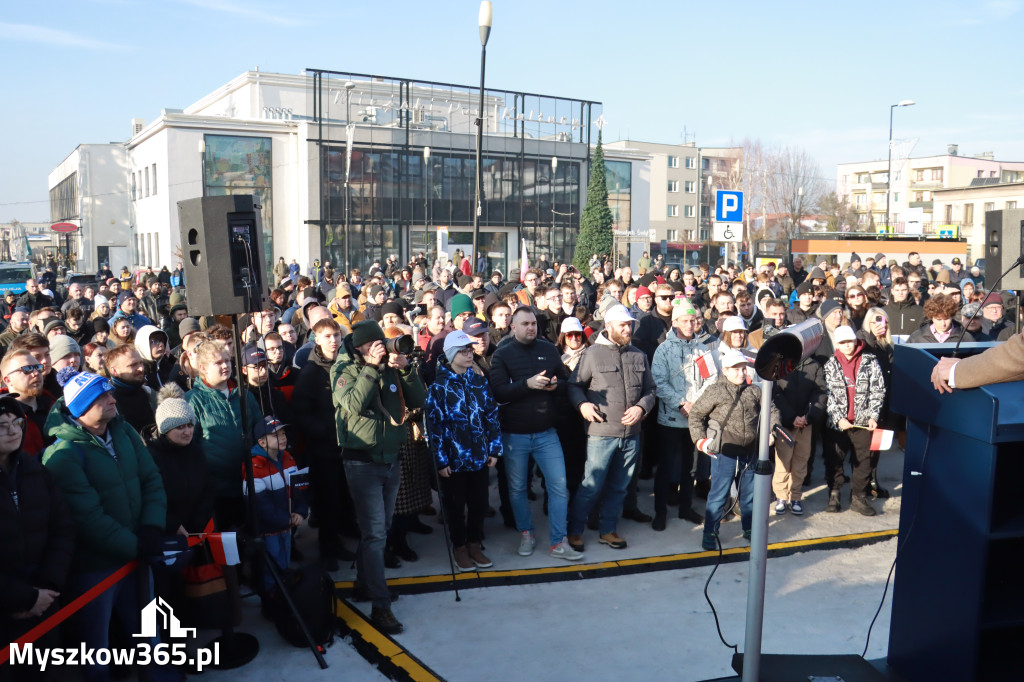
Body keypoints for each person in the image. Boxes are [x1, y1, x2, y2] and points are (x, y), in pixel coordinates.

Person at [43, 369, 176, 682]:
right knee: (96, 649)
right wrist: (138, 546)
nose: (113, 398)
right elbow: (89, 518)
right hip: (96, 569)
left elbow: (151, 479)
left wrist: (152, 529)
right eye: (103, 396)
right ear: (82, 407)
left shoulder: (124, 430)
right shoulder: (63, 455)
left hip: (140, 553)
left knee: (148, 635)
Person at [331, 320, 426, 635]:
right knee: (374, 535)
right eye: (373, 345)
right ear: (360, 347)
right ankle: (380, 605)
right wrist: (372, 367)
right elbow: (354, 404)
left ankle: (363, 585)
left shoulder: (389, 368)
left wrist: (405, 370)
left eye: (381, 345)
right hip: (362, 463)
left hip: (390, 459)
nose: (380, 349)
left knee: (380, 530)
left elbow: (418, 400)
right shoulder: (342, 370)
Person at [488, 307, 583, 562]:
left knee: (559, 488)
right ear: (513, 327)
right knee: (517, 489)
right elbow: (497, 391)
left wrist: (555, 386)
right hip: (514, 435)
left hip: (546, 433)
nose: (531, 327)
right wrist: (526, 385)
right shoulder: (502, 354)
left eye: (533, 323)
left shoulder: (548, 349)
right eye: (525, 324)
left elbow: (565, 383)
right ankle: (526, 533)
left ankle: (558, 541)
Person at [566, 305, 656, 552]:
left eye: (630, 325)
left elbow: (650, 390)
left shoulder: (639, 355)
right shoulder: (592, 354)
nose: (628, 329)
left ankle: (608, 530)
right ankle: (574, 531)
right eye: (623, 325)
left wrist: (641, 408)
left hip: (631, 435)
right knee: (591, 485)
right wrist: (582, 404)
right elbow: (574, 386)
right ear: (609, 327)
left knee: (619, 487)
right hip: (601, 433)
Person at [1, 395, 75, 681]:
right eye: (1, 425)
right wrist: (23, 598)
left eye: (16, 423)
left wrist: (46, 589)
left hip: (45, 599)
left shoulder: (35, 471)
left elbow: (63, 528)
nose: (12, 431)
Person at [424, 331, 502, 572]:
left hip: (478, 455)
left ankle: (474, 543)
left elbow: (491, 415)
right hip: (453, 460)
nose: (469, 354)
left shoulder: (479, 380)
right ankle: (459, 547)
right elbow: (434, 427)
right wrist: (440, 460)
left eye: (470, 350)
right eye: (462, 351)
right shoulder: (438, 387)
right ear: (450, 355)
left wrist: (494, 448)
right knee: (455, 506)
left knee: (479, 503)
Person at [689, 349, 780, 550]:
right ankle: (710, 533)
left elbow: (771, 409)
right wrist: (699, 440)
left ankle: (749, 529)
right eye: (736, 369)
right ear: (726, 371)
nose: (742, 373)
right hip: (724, 452)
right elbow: (695, 414)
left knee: (748, 495)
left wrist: (771, 431)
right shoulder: (715, 391)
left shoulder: (755, 390)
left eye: (743, 369)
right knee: (718, 495)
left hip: (750, 451)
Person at [293, 318, 355, 570]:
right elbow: (300, 412)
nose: (334, 340)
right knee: (327, 502)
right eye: (327, 336)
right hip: (324, 449)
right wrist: (326, 431)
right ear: (316, 339)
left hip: (347, 446)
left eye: (337, 336)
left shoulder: (346, 364)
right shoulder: (311, 372)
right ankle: (328, 550)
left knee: (343, 497)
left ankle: (342, 537)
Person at [186, 340, 262, 530]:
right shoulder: (193, 400)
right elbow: (190, 445)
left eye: (227, 361)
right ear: (203, 368)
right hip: (216, 489)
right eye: (218, 363)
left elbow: (259, 431)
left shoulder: (244, 395)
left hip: (249, 481)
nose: (225, 366)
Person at [650, 300, 710, 530]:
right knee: (665, 467)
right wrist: (681, 403)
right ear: (674, 322)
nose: (689, 324)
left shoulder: (701, 349)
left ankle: (686, 508)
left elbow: (709, 380)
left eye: (693, 320)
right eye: (684, 320)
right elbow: (659, 382)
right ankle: (660, 512)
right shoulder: (663, 350)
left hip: (693, 419)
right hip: (669, 419)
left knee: (690, 467)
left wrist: (695, 406)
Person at [823, 326, 885, 516]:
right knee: (834, 459)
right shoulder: (830, 364)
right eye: (842, 342)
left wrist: (873, 415)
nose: (847, 345)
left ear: (856, 341)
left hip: (862, 422)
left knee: (864, 461)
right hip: (838, 423)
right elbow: (827, 394)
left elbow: (878, 390)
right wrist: (838, 417)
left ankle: (858, 497)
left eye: (849, 341)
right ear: (837, 344)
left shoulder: (870, 361)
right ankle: (834, 493)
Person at [244, 416, 308, 593]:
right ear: (261, 442)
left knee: (284, 564)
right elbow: (260, 504)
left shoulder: (287, 457)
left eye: (283, 433)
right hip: (269, 531)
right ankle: (272, 601)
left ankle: (283, 597)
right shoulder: (253, 465)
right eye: (276, 435)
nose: (283, 438)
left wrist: (300, 512)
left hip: (287, 527)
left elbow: (299, 489)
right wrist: (287, 519)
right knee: (270, 570)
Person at [771, 339, 826, 516]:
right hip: (785, 423)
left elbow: (820, 392)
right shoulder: (779, 365)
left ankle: (795, 496)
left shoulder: (814, 365)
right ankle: (781, 496)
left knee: (801, 461)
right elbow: (776, 394)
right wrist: (790, 417)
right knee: (783, 462)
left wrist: (808, 417)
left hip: (805, 423)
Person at [907, 293, 973, 344]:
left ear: (952, 316)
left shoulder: (965, 337)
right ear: (931, 317)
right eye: (938, 319)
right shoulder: (916, 337)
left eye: (946, 319)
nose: (943, 324)